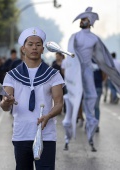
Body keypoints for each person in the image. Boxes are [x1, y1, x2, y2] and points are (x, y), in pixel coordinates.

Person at [0, 27, 64, 170]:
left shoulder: (53, 74)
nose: (34, 47)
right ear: (23, 48)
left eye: (38, 44)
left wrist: (48, 116)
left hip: (45, 134)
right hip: (21, 134)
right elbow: (5, 106)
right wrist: (6, 101)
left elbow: (59, 104)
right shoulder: (11, 75)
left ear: (43, 49)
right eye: (30, 44)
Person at [62, 7, 120, 152]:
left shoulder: (94, 39)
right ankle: (68, 137)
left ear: (90, 22)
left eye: (85, 19)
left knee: (91, 98)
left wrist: (108, 70)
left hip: (87, 70)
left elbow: (102, 57)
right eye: (81, 19)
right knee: (70, 98)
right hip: (76, 70)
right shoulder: (74, 37)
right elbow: (70, 56)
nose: (82, 21)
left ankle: (90, 136)